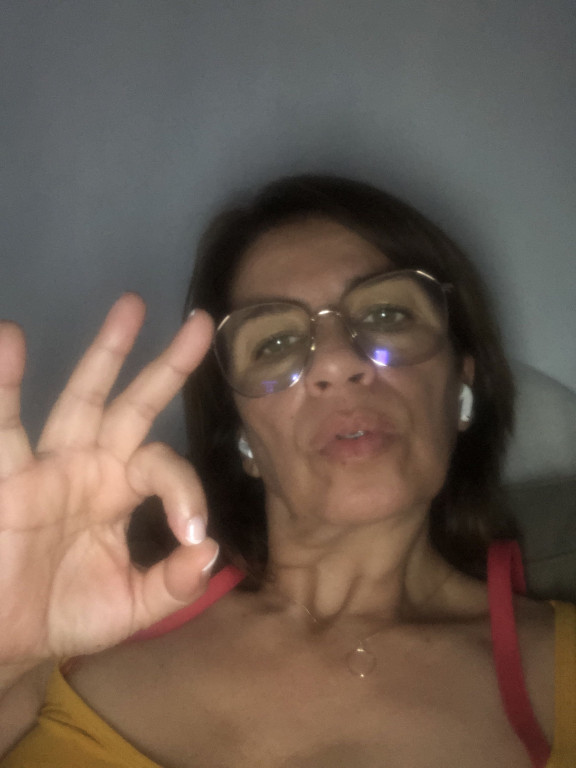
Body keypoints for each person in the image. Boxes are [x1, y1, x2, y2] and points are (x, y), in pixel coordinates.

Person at [0, 175, 573, 767]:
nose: (337, 362)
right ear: (243, 436)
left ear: (461, 383)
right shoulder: (74, 626)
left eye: (385, 313)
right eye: (275, 344)